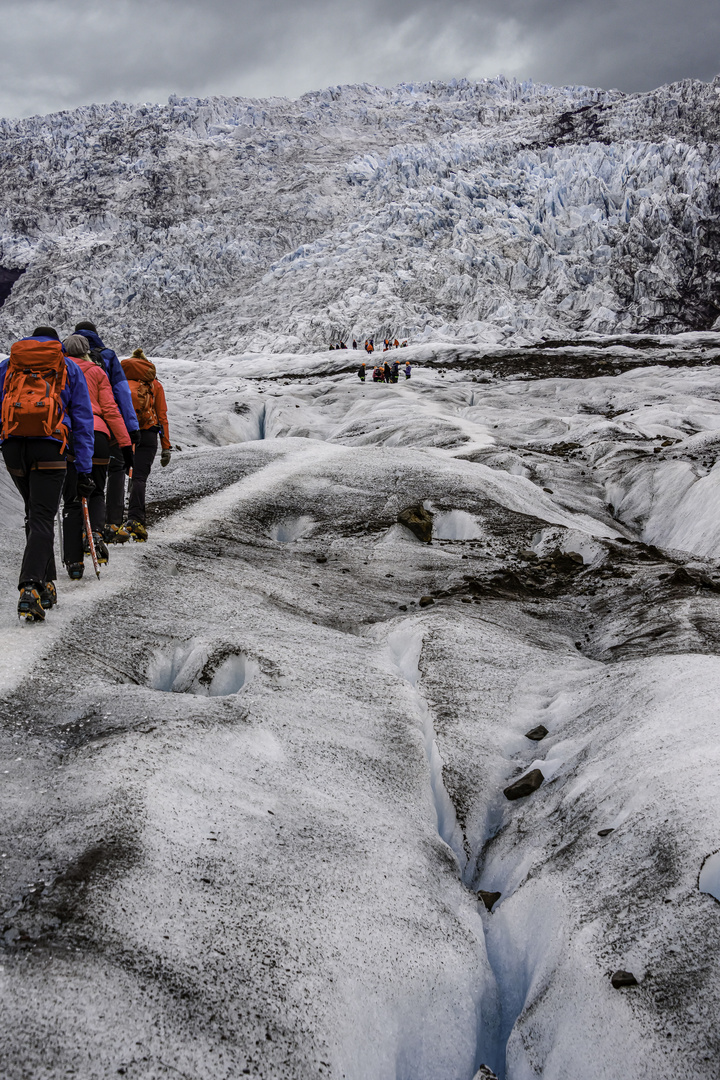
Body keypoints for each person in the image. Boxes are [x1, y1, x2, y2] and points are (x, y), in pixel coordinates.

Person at [0, 327, 95, 621]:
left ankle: (48, 584)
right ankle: (31, 587)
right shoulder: (67, 367)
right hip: (51, 446)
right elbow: (82, 419)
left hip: (14, 447)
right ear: (57, 344)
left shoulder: (9, 366)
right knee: (43, 515)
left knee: (35, 513)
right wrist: (84, 468)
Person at [60, 335, 133, 578]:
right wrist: (125, 444)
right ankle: (97, 535)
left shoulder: (59, 370)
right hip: (99, 436)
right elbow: (111, 410)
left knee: (71, 499)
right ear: (87, 352)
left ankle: (73, 563)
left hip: (70, 437)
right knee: (96, 490)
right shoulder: (97, 371)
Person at [72, 321, 139, 538]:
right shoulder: (107, 356)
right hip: (104, 428)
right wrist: (130, 429)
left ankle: (80, 531)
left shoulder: (63, 362)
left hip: (71, 428)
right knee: (115, 470)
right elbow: (121, 394)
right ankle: (110, 525)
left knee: (77, 481)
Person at [120, 348, 171, 541]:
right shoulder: (154, 384)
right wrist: (166, 446)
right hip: (147, 434)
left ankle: (114, 521)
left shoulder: (121, 383)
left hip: (123, 433)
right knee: (139, 478)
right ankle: (136, 520)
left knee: (118, 475)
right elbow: (162, 416)